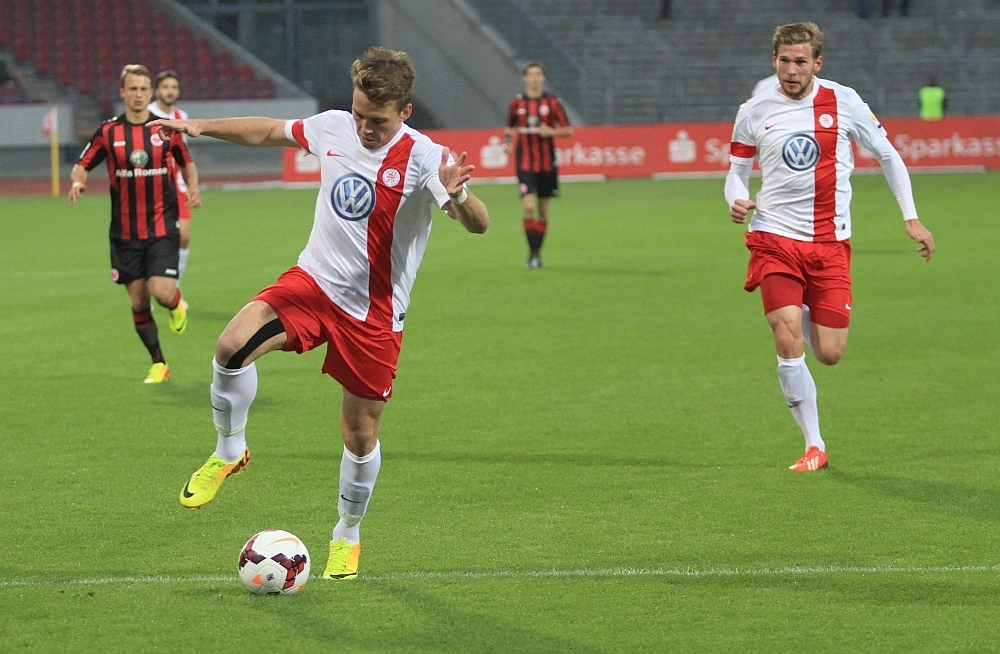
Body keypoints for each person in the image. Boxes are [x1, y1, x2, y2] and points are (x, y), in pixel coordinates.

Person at [152, 47, 490, 580]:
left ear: (404, 112)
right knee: (230, 346)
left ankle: (346, 534)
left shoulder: (427, 158)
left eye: (377, 121)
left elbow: (479, 224)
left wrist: (462, 197)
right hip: (313, 285)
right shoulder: (334, 126)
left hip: (375, 314)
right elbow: (269, 131)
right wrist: (200, 127)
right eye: (359, 114)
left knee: (360, 436)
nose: (365, 128)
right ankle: (230, 450)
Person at [725, 22, 935, 472]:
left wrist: (911, 216)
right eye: (784, 61)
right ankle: (814, 445)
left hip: (829, 242)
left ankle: (799, 304)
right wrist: (735, 200)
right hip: (774, 237)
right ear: (774, 60)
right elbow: (737, 171)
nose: (791, 70)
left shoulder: (844, 101)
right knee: (785, 334)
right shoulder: (753, 110)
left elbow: (888, 154)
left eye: (800, 62)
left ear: (817, 63)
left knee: (830, 353)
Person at [69, 64, 200, 384]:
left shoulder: (165, 129)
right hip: (125, 234)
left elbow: (187, 163)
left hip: (161, 227)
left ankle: (174, 302)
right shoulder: (108, 132)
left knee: (161, 292)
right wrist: (78, 182)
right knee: (139, 300)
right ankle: (159, 363)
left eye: (144, 89)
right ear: (123, 93)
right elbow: (82, 164)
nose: (139, 94)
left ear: (150, 93)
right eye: (133, 89)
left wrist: (193, 187)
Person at [503, 61, 572, 269]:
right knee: (528, 207)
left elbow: (568, 130)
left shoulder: (552, 102)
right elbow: (509, 127)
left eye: (538, 74)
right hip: (525, 162)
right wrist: (507, 143)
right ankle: (532, 254)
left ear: (543, 77)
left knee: (542, 211)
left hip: (546, 164)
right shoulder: (517, 103)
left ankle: (536, 254)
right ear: (525, 78)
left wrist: (551, 132)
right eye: (531, 74)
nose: (534, 78)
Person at [148, 70, 194, 306]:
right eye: (166, 87)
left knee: (184, 236)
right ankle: (150, 291)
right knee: (151, 241)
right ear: (157, 90)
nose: (170, 91)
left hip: (176, 186)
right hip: (151, 187)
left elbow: (182, 155)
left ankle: (173, 290)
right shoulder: (147, 116)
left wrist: (191, 184)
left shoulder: (180, 116)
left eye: (174, 87)